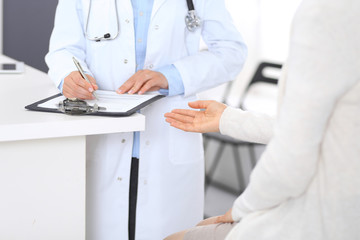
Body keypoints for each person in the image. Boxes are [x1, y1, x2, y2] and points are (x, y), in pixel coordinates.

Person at [45, 0, 247, 239]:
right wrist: (68, 74)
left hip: (168, 132)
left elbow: (231, 52)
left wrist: (170, 75)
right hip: (103, 136)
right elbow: (62, 49)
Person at [164, 0, 360, 239]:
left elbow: (293, 156)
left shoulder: (327, 13)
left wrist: (242, 209)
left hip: (327, 217)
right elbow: (319, 127)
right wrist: (229, 119)